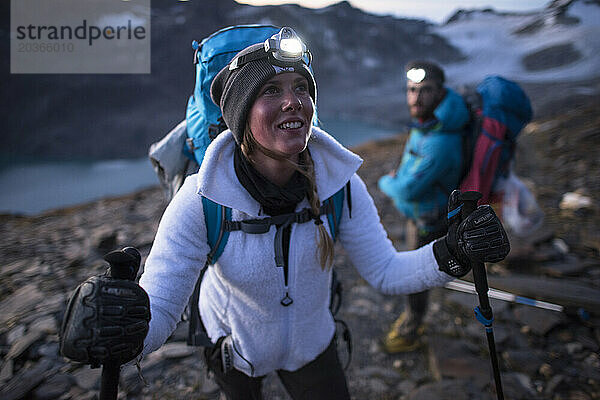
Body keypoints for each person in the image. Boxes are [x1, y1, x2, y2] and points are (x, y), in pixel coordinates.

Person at [61, 28, 509, 400]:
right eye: (271, 91)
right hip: (234, 351)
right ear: (239, 118)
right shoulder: (201, 200)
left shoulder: (340, 187)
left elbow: (387, 272)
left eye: (301, 89)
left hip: (314, 346)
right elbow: (159, 312)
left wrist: (454, 252)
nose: (293, 101)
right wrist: (125, 326)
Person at [377, 61, 470, 353]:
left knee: (416, 276)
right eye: (411, 90)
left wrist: (385, 182)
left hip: (431, 220)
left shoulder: (441, 142)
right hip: (420, 215)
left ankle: (411, 327)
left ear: (440, 93)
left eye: (425, 90)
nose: (416, 98)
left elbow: (406, 187)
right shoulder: (428, 127)